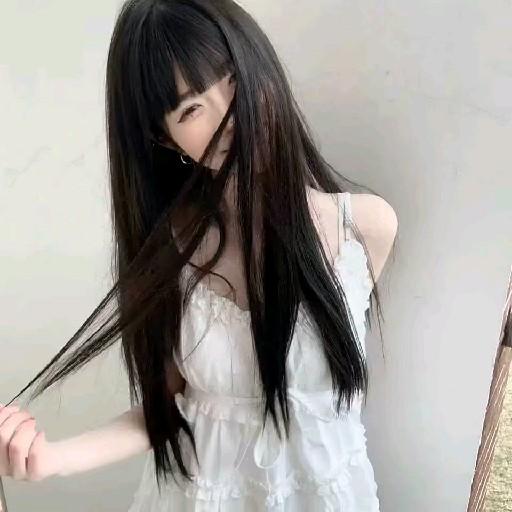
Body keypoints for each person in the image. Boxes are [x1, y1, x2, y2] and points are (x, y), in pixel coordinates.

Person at [0, 0, 398, 510]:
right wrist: (51, 459)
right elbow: (166, 411)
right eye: (191, 109)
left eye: (233, 79)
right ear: (165, 141)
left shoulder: (366, 228)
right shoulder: (172, 251)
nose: (229, 118)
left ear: (262, 65)